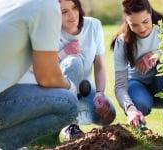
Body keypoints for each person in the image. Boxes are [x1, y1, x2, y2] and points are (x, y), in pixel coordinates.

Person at [19, 0, 117, 141]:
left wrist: (99, 94)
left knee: (108, 114)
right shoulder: (48, 31)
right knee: (73, 62)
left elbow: (100, 66)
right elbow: (33, 69)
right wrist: (63, 53)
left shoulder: (94, 25)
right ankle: (69, 123)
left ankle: (59, 122)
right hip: (56, 96)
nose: (72, 15)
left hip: (83, 93)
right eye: (64, 12)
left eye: (74, 8)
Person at [0, 0, 78, 149]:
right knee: (69, 104)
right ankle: (5, 145)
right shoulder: (45, 5)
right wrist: (71, 86)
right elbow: (47, 77)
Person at [111, 0, 163, 140]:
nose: (142, 29)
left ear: (151, 13)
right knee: (140, 103)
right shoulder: (122, 41)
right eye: (134, 25)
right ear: (126, 21)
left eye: (145, 21)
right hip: (138, 85)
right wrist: (130, 109)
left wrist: (157, 54)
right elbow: (120, 85)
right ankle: (140, 126)